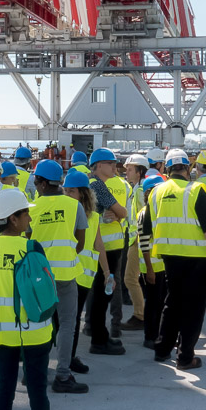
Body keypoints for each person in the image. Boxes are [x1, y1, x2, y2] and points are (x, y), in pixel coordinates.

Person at [0, 187, 64, 410]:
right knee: (37, 392)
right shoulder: (32, 248)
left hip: (2, 334)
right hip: (35, 332)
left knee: (3, 390)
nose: (30, 217)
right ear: (14, 219)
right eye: (25, 213)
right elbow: (47, 287)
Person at [149, 148, 206, 371]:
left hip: (169, 256)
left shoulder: (156, 192)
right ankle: (185, 357)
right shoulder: (195, 190)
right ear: (188, 168)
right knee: (193, 308)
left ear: (166, 168)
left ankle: (162, 349)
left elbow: (153, 223)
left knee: (172, 303)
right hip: (197, 258)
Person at [27, 160, 90, 394]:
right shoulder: (75, 206)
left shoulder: (31, 209)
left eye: (36, 181)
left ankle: (32, 372)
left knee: (37, 323)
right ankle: (63, 375)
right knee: (67, 325)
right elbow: (80, 243)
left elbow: (28, 242)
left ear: (42, 184)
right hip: (65, 275)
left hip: (39, 277)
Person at [62, 170, 107, 380]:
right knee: (57, 322)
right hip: (66, 273)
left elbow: (99, 246)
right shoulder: (64, 214)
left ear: (83, 194)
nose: (67, 194)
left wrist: (107, 273)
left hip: (84, 277)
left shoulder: (95, 217)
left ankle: (69, 358)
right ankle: (56, 361)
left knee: (72, 322)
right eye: (65, 190)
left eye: (71, 191)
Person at [85, 148, 128, 354]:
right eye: (111, 164)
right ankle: (100, 340)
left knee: (99, 294)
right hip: (105, 249)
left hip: (96, 247)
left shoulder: (90, 183)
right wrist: (118, 214)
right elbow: (123, 212)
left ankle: (97, 333)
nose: (115, 167)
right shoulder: (98, 186)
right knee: (104, 293)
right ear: (99, 166)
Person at [136, 174, 167, 348]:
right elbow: (144, 243)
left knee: (161, 302)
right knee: (153, 303)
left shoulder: (159, 212)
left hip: (162, 266)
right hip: (153, 267)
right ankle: (150, 336)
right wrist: (149, 269)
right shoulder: (145, 213)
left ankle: (157, 334)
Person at [119, 154, 149, 330]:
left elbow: (144, 218)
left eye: (130, 170)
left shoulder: (139, 192)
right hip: (136, 240)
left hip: (137, 241)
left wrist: (137, 241)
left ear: (139, 172)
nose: (126, 173)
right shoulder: (136, 189)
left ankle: (140, 316)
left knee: (130, 279)